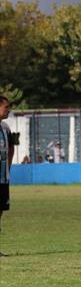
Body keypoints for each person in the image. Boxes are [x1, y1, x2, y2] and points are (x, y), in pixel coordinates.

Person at [0, 96, 15, 257]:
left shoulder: (5, 128)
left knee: (1, 211)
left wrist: (8, 167)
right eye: (6, 107)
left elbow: (11, 148)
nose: (8, 110)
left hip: (3, 178)